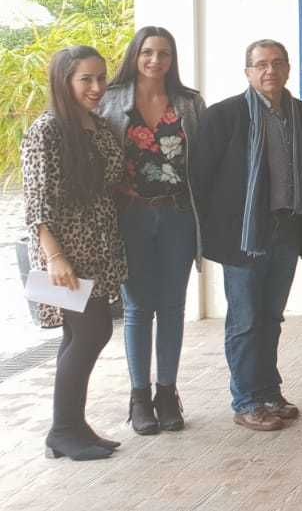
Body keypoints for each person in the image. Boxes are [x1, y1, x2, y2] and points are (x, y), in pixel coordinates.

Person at [191, 39, 302, 432]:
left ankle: (268, 391)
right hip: (245, 234)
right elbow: (200, 178)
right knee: (245, 320)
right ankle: (246, 399)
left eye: (278, 63)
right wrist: (219, 232)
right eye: (261, 64)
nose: (270, 71)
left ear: (288, 69)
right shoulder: (225, 115)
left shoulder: (298, 113)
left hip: (286, 228)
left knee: (271, 317)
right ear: (248, 72)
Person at [99, 27, 205, 434]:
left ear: (172, 58)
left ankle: (167, 392)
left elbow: (204, 161)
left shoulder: (190, 103)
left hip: (178, 213)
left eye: (163, 53)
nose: (155, 60)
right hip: (131, 215)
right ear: (135, 54)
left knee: (173, 307)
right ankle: (139, 396)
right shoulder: (110, 100)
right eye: (148, 52)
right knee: (139, 308)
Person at [25, 46, 126, 460]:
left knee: (80, 336)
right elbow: (36, 203)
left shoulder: (100, 128)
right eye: (86, 79)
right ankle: (63, 430)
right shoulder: (46, 129)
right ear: (65, 81)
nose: (97, 87)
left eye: (101, 78)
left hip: (99, 249)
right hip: (63, 255)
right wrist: (55, 257)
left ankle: (72, 426)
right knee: (91, 333)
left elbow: (112, 183)